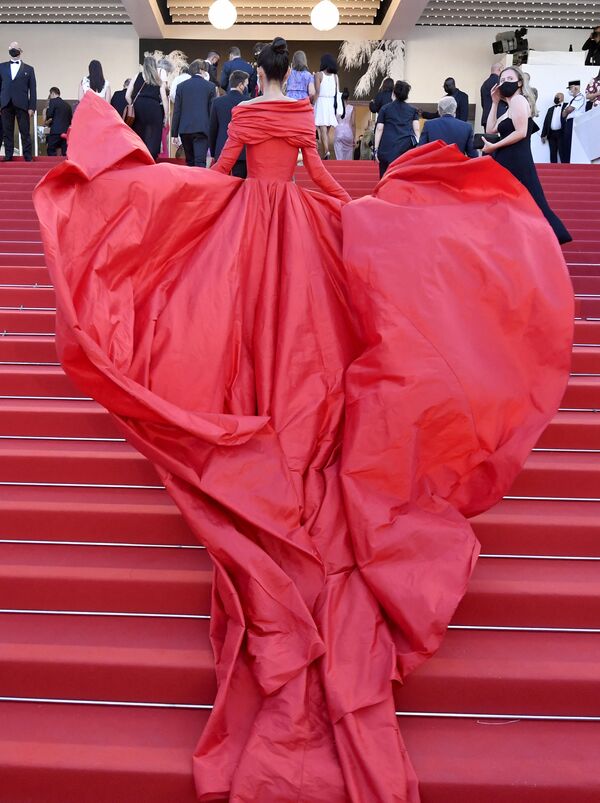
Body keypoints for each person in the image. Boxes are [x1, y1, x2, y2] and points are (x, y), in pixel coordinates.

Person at [34, 34, 575, 803]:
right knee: (303, 341)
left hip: (249, 225)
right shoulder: (296, 111)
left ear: (257, 70)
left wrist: (174, 190)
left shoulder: (251, 109)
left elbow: (221, 172)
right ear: (298, 74)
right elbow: (320, 175)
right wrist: (363, 220)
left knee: (247, 327)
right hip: (296, 224)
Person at [483, 66, 571, 244]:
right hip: (508, 161)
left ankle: (549, 239)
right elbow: (490, 128)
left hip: (517, 161)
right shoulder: (509, 107)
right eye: (502, 80)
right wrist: (493, 102)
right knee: (523, 204)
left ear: (520, 82)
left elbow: (521, 132)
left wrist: (494, 146)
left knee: (534, 203)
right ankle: (530, 242)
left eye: (509, 79)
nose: (504, 82)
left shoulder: (518, 100)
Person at [172, 59, 216, 168]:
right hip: (202, 129)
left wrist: (174, 133)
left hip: (185, 130)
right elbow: (212, 112)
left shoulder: (181, 87)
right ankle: (199, 185)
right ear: (201, 70)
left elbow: (177, 111)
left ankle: (191, 184)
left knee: (190, 162)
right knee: (200, 162)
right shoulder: (210, 86)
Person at [126, 55, 168, 161]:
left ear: (144, 66)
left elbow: (127, 95)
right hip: (154, 107)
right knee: (154, 133)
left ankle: (140, 157)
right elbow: (164, 98)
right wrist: (166, 116)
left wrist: (132, 105)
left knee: (139, 132)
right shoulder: (158, 79)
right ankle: (151, 158)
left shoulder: (137, 76)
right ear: (154, 66)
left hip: (139, 106)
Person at [374, 79, 420, 178]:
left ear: (394, 92)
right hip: (405, 148)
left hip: (387, 146)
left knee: (384, 176)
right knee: (402, 177)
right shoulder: (412, 110)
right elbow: (416, 129)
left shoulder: (385, 109)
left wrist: (376, 149)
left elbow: (379, 128)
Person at [0, 41, 37, 162]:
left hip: (22, 105)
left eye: (15, 48)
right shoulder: (1, 67)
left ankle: (28, 156)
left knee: (25, 131)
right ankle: (8, 155)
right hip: (6, 103)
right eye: (11, 47)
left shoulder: (29, 69)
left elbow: (33, 89)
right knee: (7, 131)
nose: (13, 49)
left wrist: (32, 107)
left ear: (20, 51)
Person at [208, 69, 248, 177]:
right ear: (241, 85)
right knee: (240, 188)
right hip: (243, 152)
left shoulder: (217, 102)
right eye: (246, 84)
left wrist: (212, 152)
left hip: (221, 150)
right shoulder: (249, 102)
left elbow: (213, 129)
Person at [314, 53, 339, 159]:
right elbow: (337, 92)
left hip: (321, 102)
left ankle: (326, 152)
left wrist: (312, 103)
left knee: (322, 129)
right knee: (326, 131)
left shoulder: (318, 75)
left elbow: (317, 91)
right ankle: (325, 151)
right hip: (331, 103)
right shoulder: (335, 77)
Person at [561, 79, 586, 163]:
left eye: (570, 88)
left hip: (575, 122)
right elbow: (563, 114)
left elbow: (569, 110)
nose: (569, 90)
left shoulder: (580, 97)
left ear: (576, 87)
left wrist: (566, 111)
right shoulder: (571, 100)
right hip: (569, 122)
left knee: (572, 142)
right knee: (567, 142)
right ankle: (567, 162)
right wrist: (566, 111)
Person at [44, 87, 72, 156]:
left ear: (52, 93)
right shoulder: (67, 105)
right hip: (65, 132)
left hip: (56, 131)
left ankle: (53, 165)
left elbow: (50, 114)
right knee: (65, 152)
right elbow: (70, 120)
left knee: (51, 149)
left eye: (50, 95)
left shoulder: (53, 101)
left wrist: (47, 114)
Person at [541, 92, 567, 163]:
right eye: (555, 96)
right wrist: (543, 135)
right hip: (551, 134)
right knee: (552, 153)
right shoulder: (550, 109)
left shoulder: (567, 106)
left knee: (563, 153)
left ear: (562, 97)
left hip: (562, 133)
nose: (555, 98)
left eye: (557, 96)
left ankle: (565, 170)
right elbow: (546, 122)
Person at [480, 62, 504, 129]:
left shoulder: (484, 84)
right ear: (500, 69)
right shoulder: (500, 82)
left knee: (489, 138)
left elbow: (483, 103)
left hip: (486, 118)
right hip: (498, 117)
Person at [333, 87, 355, 160]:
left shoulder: (336, 108)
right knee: (349, 155)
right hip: (348, 133)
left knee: (339, 157)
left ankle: (339, 169)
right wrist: (354, 138)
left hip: (338, 131)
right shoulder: (352, 108)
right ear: (348, 97)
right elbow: (353, 124)